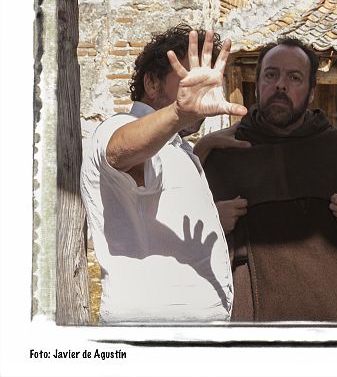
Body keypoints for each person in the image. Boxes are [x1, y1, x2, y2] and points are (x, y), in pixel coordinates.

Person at [198, 37, 337, 321]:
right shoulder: (224, 152)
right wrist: (212, 223)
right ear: (257, 86)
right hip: (257, 326)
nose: (281, 85)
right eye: (271, 75)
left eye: (294, 77)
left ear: (311, 92)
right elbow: (183, 247)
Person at [80, 25, 247, 323]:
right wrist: (180, 112)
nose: (201, 90)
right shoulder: (116, 126)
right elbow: (120, 151)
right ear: (153, 83)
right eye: (188, 78)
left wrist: (211, 217)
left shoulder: (177, 147)